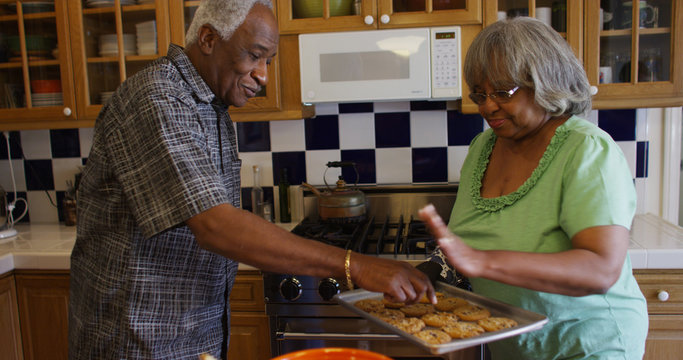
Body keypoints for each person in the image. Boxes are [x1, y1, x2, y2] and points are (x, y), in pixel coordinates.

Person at [68, 1, 435, 359]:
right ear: (209, 39)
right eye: (254, 56)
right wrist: (357, 264)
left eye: (269, 61)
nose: (263, 75)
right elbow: (216, 225)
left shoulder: (210, 105)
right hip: (138, 339)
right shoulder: (157, 97)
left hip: (193, 334)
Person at [418, 17, 648, 360]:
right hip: (514, 343)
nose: (487, 106)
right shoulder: (482, 148)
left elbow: (600, 269)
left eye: (502, 92)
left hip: (587, 345)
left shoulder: (586, 151)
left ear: (545, 82)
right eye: (479, 94)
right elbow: (468, 245)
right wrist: (418, 275)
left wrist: (485, 263)